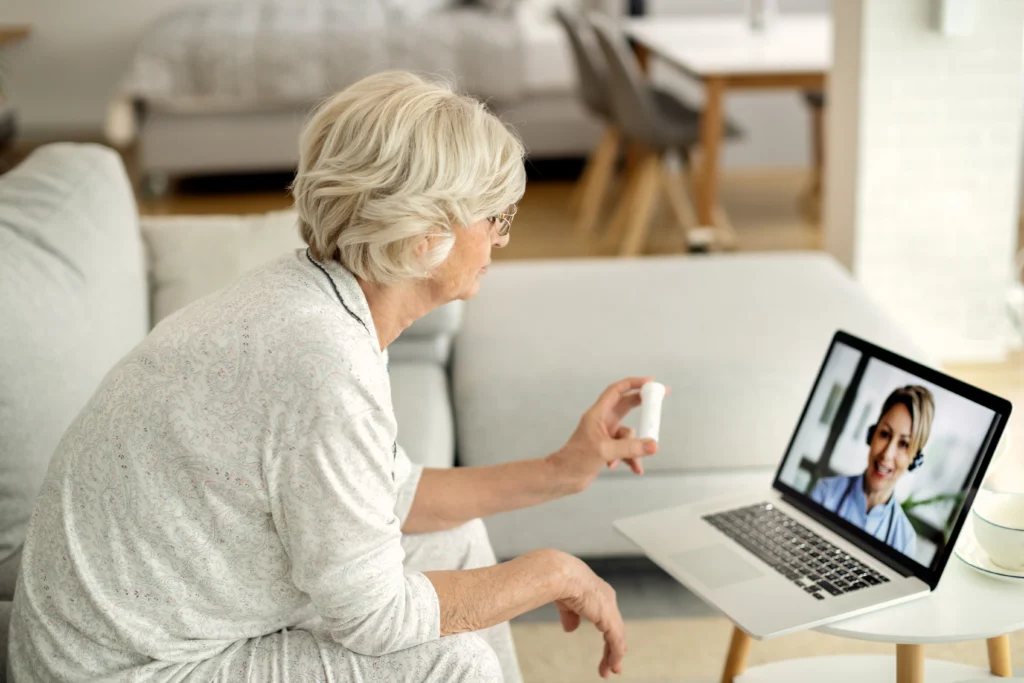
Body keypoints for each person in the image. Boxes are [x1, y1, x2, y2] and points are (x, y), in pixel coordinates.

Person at [8, 71, 663, 682]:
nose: (500, 239)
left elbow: (384, 496)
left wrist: (561, 469)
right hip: (120, 669)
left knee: (453, 540)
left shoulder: (314, 298)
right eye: (493, 217)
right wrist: (553, 572)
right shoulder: (321, 361)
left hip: (147, 626)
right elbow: (375, 619)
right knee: (452, 663)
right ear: (423, 238)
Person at [810, 385, 935, 558]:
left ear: (914, 460)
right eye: (884, 434)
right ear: (872, 434)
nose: (887, 454)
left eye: (904, 444)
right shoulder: (825, 492)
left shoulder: (904, 539)